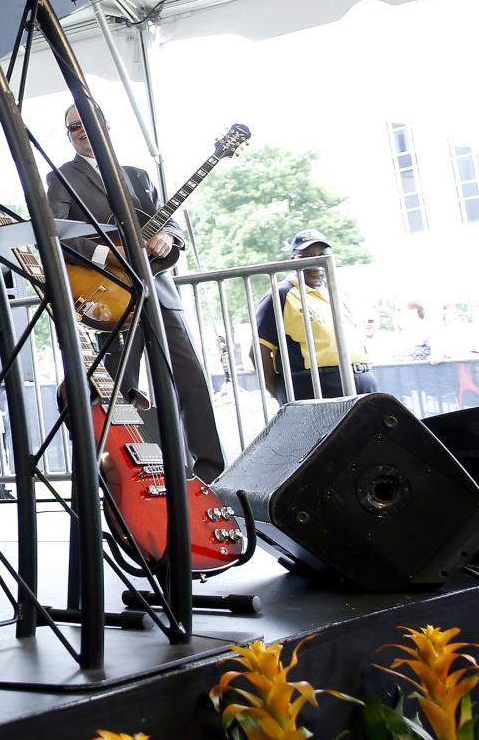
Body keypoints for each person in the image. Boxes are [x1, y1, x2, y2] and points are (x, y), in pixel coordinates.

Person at [45, 106, 225, 482]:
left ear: (106, 127)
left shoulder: (138, 176)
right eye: (73, 128)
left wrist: (166, 236)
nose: (81, 132)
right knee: (118, 388)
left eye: (87, 124)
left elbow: (169, 219)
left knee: (190, 377)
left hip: (159, 292)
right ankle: (119, 479)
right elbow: (55, 233)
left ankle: (210, 475)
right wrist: (108, 253)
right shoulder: (61, 178)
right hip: (111, 292)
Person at [254, 228, 377, 400]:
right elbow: (259, 351)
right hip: (317, 386)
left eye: (322, 254)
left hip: (362, 380)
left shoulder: (336, 293)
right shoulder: (281, 294)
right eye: (306, 257)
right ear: (293, 261)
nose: (315, 262)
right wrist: (283, 395)